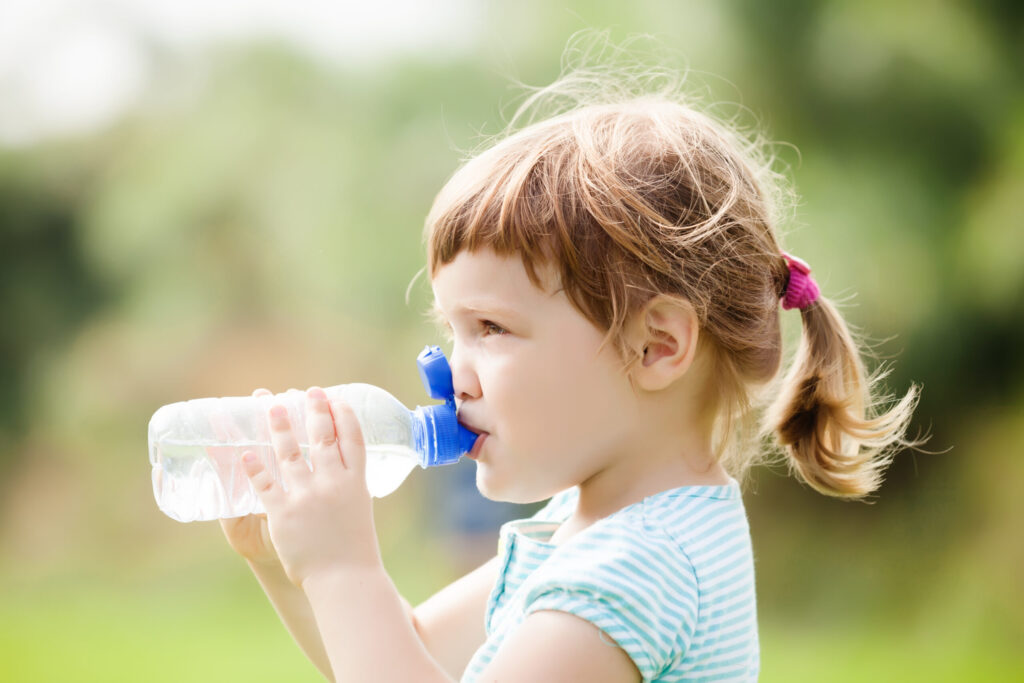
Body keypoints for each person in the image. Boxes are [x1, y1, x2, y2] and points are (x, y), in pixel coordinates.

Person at [219, 65, 924, 682]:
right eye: (451, 331)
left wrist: (344, 570)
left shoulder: (639, 568)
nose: (454, 375)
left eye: (491, 328)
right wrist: (287, 565)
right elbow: (410, 652)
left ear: (655, 346)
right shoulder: (589, 527)